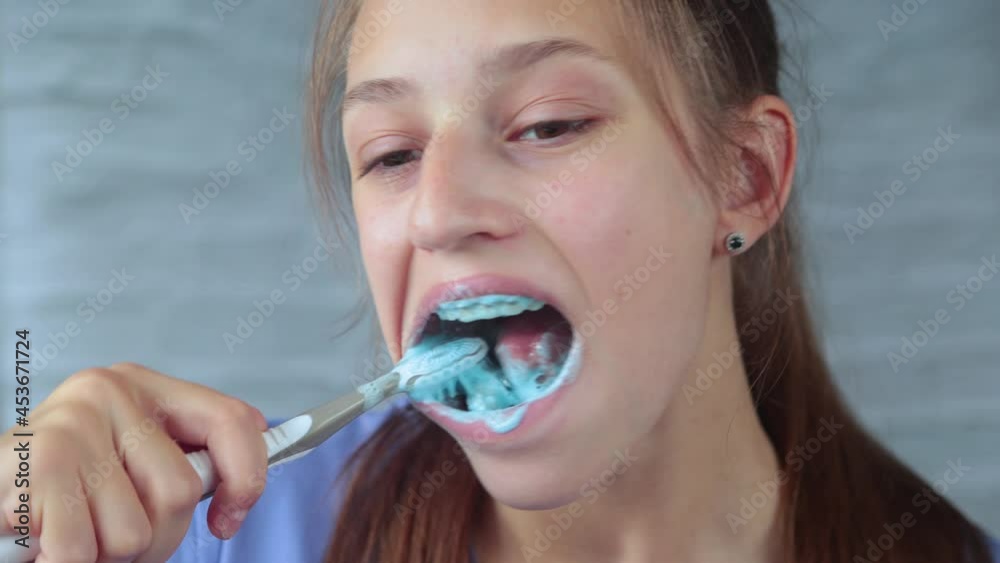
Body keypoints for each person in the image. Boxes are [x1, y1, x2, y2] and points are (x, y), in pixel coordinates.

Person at [3, 1, 998, 562]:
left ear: (744, 177)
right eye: (391, 153)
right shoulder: (233, 534)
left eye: (546, 125)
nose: (438, 211)